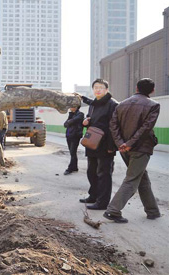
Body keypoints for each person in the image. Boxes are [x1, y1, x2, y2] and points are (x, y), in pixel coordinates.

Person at [103, 78, 161, 223]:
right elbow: (146, 128)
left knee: (141, 176)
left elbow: (113, 125)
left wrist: (121, 144)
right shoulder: (153, 105)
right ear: (152, 91)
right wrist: (129, 143)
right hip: (140, 148)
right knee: (132, 179)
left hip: (124, 149)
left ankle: (152, 211)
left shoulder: (122, 104)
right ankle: (113, 210)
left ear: (136, 88)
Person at [79, 79, 118, 210]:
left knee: (104, 174)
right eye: (95, 87)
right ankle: (93, 196)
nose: (98, 90)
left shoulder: (113, 105)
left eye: (101, 87)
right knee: (91, 171)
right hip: (92, 143)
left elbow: (115, 127)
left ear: (106, 90)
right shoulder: (93, 104)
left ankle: (102, 202)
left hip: (106, 144)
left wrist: (112, 146)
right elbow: (91, 119)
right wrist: (86, 121)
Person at [63, 106, 84, 175]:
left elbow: (73, 121)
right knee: (72, 153)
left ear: (76, 107)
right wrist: (69, 121)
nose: (70, 107)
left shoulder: (80, 114)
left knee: (72, 152)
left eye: (72, 106)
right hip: (69, 136)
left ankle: (70, 168)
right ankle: (75, 167)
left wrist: (69, 122)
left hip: (75, 136)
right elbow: (65, 124)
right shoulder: (71, 115)